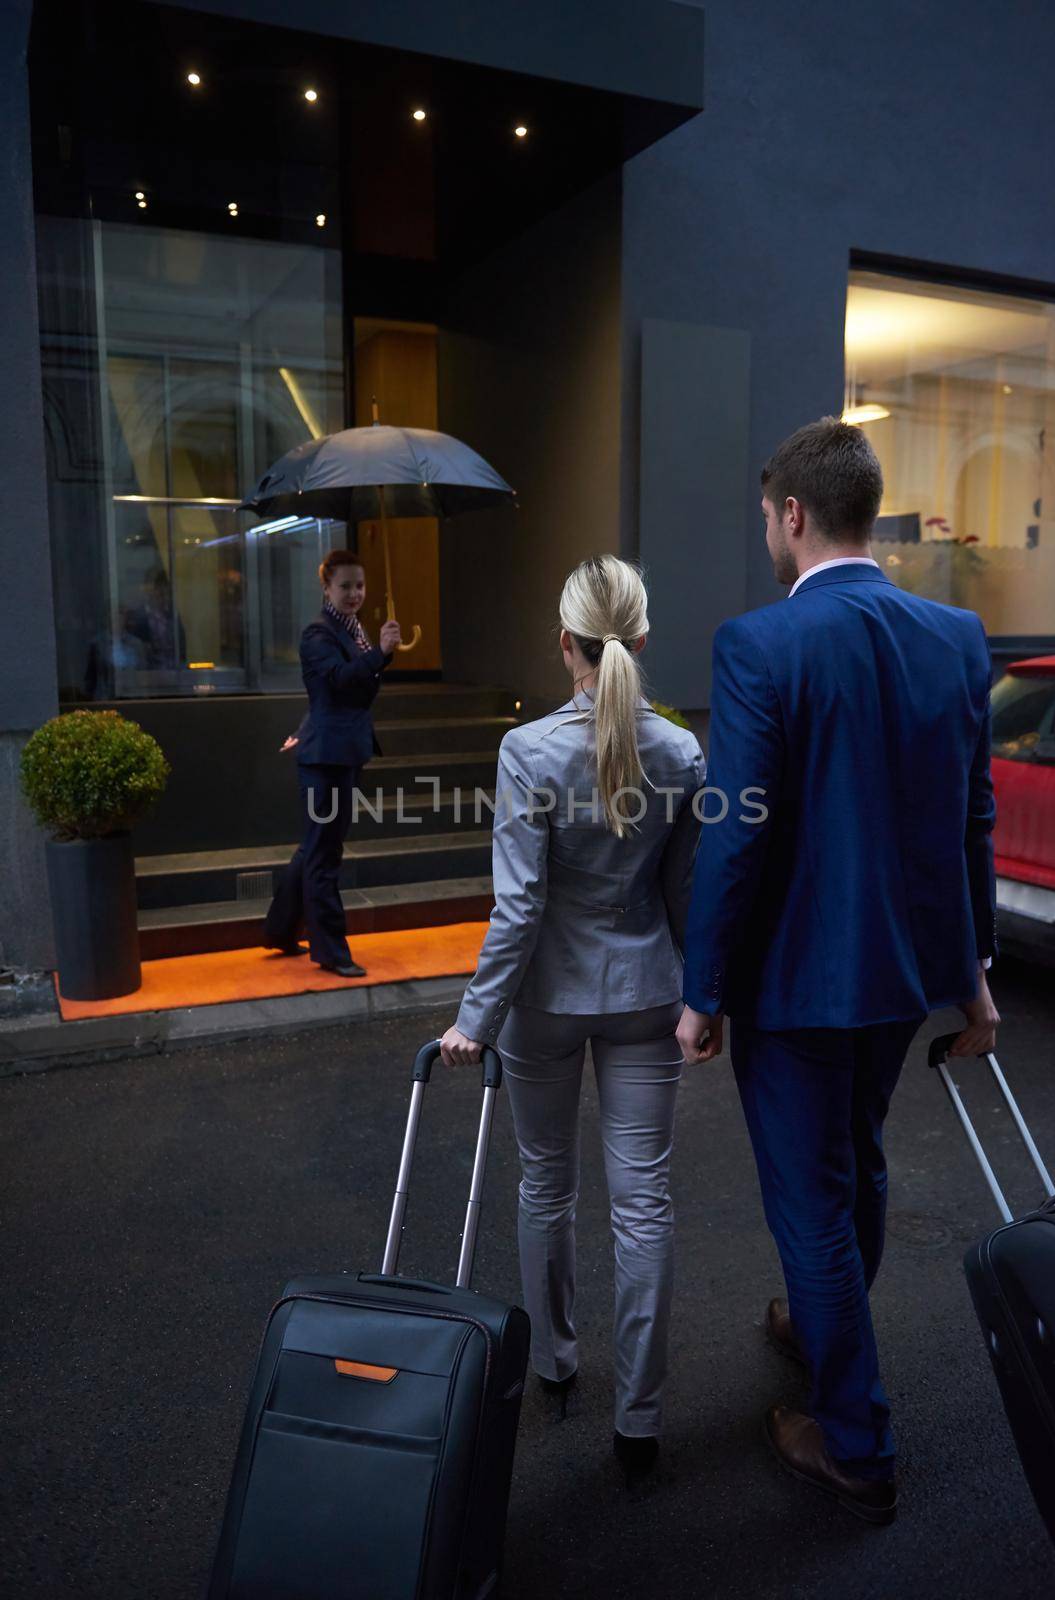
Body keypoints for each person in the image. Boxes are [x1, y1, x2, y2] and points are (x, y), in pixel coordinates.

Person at [677, 418, 999, 1525]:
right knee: (855, 1166)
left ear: (795, 513)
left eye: (768, 513)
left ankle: (854, 1438)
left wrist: (701, 987)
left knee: (811, 1204)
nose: (766, 528)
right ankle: (824, 1324)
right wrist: (974, 978)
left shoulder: (759, 644)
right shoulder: (957, 636)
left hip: (796, 984)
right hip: (901, 981)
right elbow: (971, 821)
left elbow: (736, 833)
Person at [440, 555, 706, 1482]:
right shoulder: (680, 752)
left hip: (545, 1004)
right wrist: (704, 999)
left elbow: (518, 908)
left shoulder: (529, 752)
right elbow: (684, 894)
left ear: (566, 644)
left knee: (545, 1186)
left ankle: (555, 1365)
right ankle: (639, 1419)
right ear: (641, 639)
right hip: (646, 992)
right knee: (645, 1209)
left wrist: (474, 1018)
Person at [264, 549, 400, 977]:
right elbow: (337, 683)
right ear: (326, 587)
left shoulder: (352, 629)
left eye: (359, 585)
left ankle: (280, 929)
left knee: (316, 847)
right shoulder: (318, 633)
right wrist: (380, 653)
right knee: (324, 854)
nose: (354, 593)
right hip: (324, 759)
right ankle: (332, 952)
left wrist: (381, 654)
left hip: (342, 752)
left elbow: (344, 692)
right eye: (345, 586)